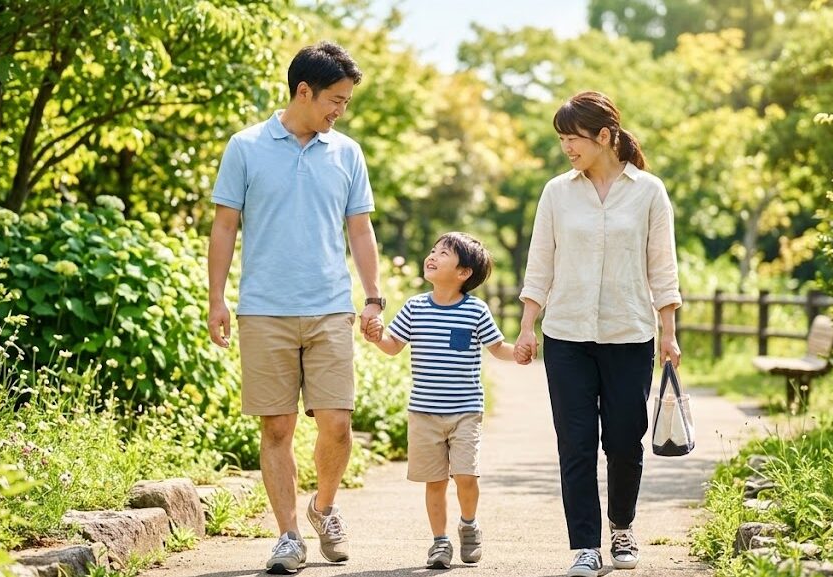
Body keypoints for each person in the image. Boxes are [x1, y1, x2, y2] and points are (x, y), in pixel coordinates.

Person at [207, 40, 386, 575]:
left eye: (346, 102)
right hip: (263, 308)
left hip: (330, 305)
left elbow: (360, 228)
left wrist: (373, 295)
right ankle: (288, 536)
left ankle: (323, 508)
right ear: (303, 91)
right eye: (335, 99)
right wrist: (216, 298)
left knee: (336, 423)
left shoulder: (346, 152)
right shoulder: (246, 146)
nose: (340, 110)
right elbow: (224, 226)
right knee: (278, 428)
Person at [513, 91, 682, 576]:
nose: (567, 147)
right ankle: (585, 545)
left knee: (626, 441)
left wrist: (668, 332)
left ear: (604, 136)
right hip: (567, 335)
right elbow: (540, 262)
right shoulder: (556, 192)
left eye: (573, 138)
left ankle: (622, 527)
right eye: (562, 138)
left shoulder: (649, 191)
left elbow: (662, 267)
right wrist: (528, 326)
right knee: (577, 443)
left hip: (630, 334)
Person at [363, 232, 525, 569]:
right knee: (434, 481)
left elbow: (497, 347)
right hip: (423, 413)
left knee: (466, 475)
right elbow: (393, 345)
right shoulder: (415, 307)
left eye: (444, 253)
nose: (432, 255)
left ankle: (468, 524)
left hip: (465, 410)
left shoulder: (475, 311)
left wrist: (520, 353)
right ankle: (439, 543)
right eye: (433, 249)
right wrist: (377, 337)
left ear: (464, 272)